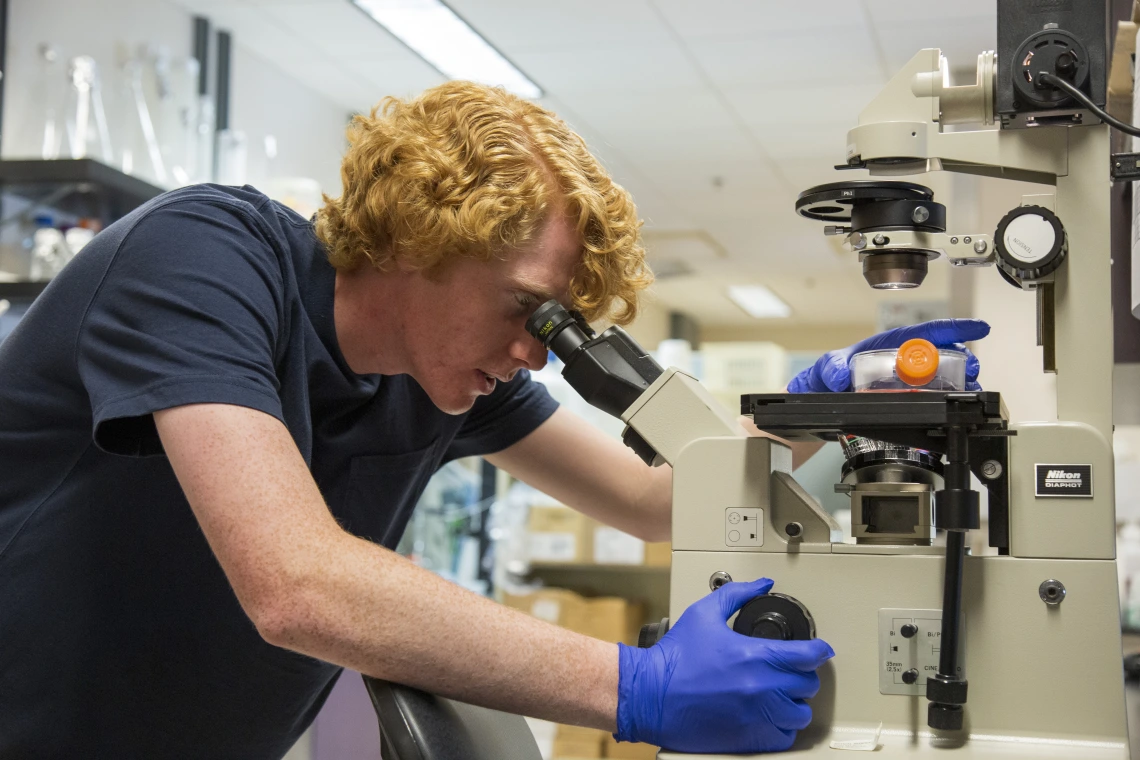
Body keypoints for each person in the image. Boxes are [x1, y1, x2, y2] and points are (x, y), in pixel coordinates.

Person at [0, 80, 985, 758]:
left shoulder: (445, 376)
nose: (534, 349)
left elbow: (648, 500)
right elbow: (295, 584)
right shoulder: (203, 256)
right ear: (417, 240)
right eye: (525, 310)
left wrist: (810, 412)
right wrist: (633, 685)